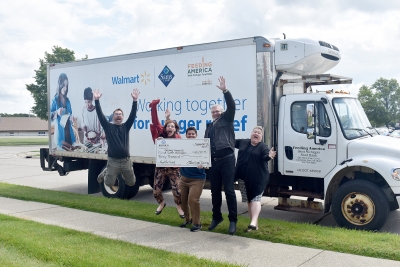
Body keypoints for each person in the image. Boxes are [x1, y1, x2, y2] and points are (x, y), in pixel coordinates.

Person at [204, 76, 238, 235]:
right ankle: (216, 217)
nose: (216, 113)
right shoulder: (209, 126)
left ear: (222, 112)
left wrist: (225, 91)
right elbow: (204, 146)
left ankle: (233, 221)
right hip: (214, 162)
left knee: (229, 191)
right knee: (214, 191)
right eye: (213, 112)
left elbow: (231, 105)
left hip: (227, 160)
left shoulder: (227, 119)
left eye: (218, 111)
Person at [94, 88, 139, 190]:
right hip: (113, 161)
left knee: (132, 183)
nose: (118, 116)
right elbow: (100, 115)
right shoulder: (108, 126)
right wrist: (96, 100)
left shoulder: (126, 127)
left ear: (122, 117)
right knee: (109, 183)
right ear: (113, 117)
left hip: (126, 161)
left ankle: (117, 172)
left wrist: (135, 101)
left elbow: (132, 115)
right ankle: (106, 172)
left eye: (120, 114)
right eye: (116, 114)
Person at [235, 126, 276, 232]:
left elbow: (265, 156)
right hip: (243, 178)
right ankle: (254, 226)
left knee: (255, 199)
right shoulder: (243, 142)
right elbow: (231, 141)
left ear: (261, 137)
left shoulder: (263, 147)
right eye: (255, 132)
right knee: (249, 201)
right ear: (251, 133)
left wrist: (269, 156)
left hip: (258, 178)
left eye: (259, 133)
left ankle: (253, 222)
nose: (256, 134)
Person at [149, 100, 184, 218]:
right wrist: (154, 107)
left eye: (172, 126)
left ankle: (179, 206)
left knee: (178, 191)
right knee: (156, 191)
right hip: (161, 168)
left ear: (175, 129)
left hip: (174, 168)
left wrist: (169, 118)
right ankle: (162, 203)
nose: (170, 128)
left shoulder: (178, 138)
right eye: (168, 126)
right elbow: (155, 122)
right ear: (165, 128)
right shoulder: (160, 137)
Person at [178, 126, 206, 232]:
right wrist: (161, 141)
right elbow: (170, 145)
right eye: (189, 134)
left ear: (196, 135)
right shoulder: (182, 146)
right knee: (183, 201)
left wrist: (203, 163)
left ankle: (197, 223)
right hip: (184, 178)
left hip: (197, 179)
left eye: (192, 134)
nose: (190, 135)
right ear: (186, 135)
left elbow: (207, 160)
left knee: (193, 200)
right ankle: (187, 220)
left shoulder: (202, 146)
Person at [50, 73, 77, 150]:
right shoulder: (55, 100)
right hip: (61, 137)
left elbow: (70, 115)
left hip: (69, 135)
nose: (65, 88)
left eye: (66, 86)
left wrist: (72, 118)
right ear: (59, 85)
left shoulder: (68, 101)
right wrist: (56, 112)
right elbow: (50, 116)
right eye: (63, 85)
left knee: (70, 156)